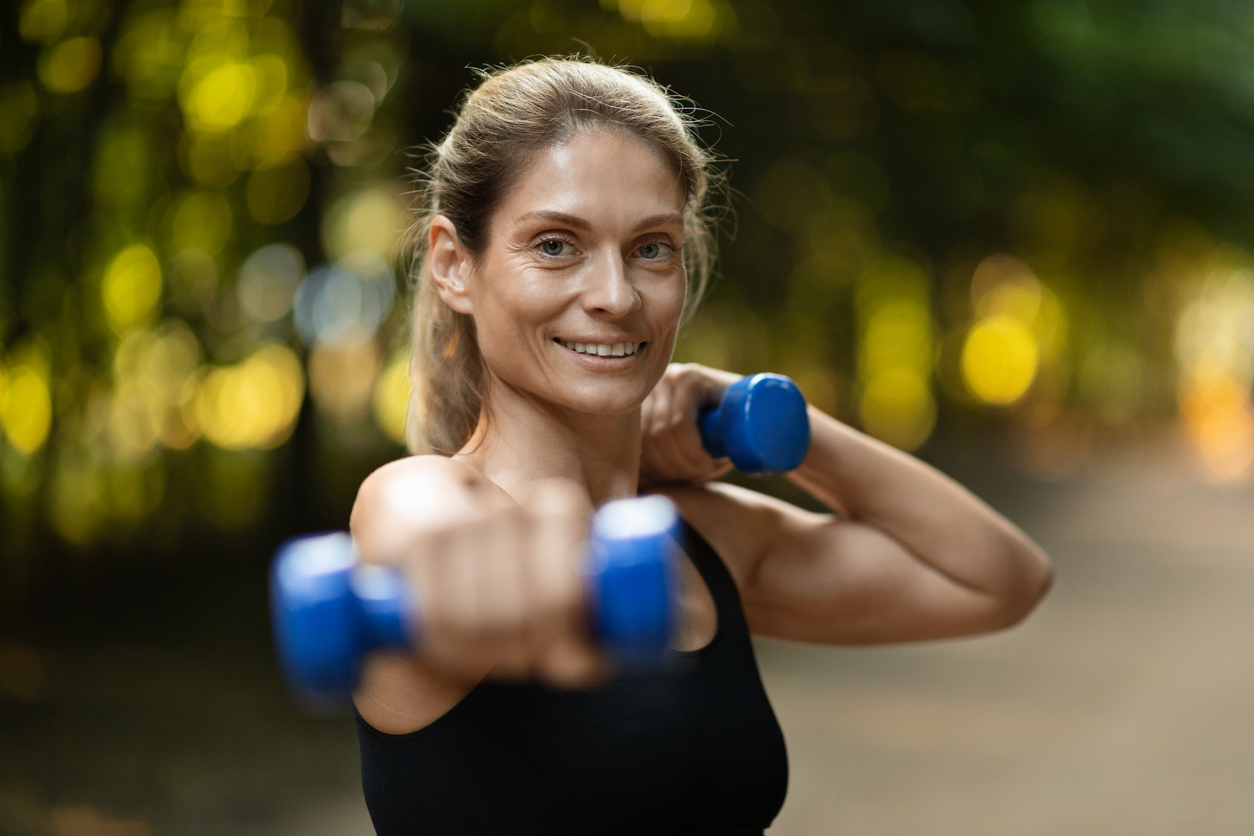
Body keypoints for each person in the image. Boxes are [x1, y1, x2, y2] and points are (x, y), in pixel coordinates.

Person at [349, 57, 1052, 835]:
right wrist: (469, 575)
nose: (616, 296)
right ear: (454, 264)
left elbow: (1001, 579)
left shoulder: (706, 540)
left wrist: (781, 426)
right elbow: (422, 535)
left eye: (651, 248)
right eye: (555, 245)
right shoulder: (427, 500)